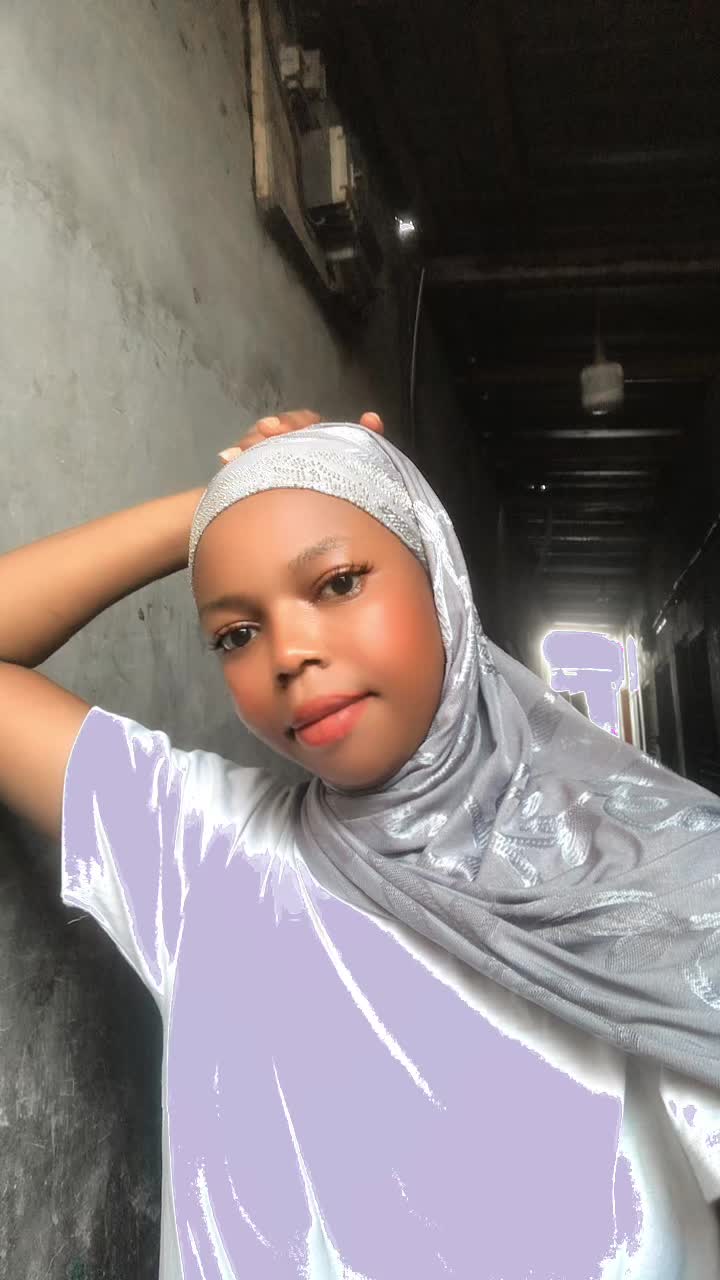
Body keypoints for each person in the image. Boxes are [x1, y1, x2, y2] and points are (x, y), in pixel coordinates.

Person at [1, 410, 719, 1279]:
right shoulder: (202, 852)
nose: (289, 653)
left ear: (440, 579)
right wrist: (229, 497)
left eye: (338, 582)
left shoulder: (650, 878)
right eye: (235, 633)